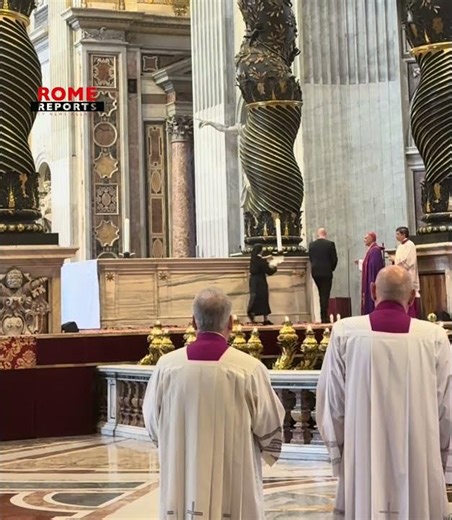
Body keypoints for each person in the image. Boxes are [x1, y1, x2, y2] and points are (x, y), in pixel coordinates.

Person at [316, 266, 450, 519]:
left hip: (363, 453)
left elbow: (332, 402)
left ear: (373, 290)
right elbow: (447, 406)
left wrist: (342, 450)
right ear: (412, 297)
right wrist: (439, 454)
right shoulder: (434, 337)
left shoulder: (346, 333)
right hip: (419, 456)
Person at [142, 287, 285, 520]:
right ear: (231, 322)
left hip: (183, 475)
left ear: (192, 322)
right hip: (234, 480)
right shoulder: (248, 368)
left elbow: (151, 420)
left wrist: (179, 439)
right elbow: (269, 423)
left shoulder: (167, 367)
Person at [308, 228, 338, 323]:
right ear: (325, 234)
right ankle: (324, 317)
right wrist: (331, 268)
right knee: (325, 294)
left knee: (321, 293)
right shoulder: (330, 244)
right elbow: (334, 259)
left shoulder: (312, 245)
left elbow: (311, 258)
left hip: (316, 272)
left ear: (318, 234)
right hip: (326, 272)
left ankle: (323, 315)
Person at [392, 226, 421, 318]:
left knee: (410, 293)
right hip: (400, 274)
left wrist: (398, 267)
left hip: (409, 274)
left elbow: (409, 261)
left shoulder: (410, 245)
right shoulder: (400, 246)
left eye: (398, 234)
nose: (396, 236)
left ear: (404, 234)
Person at [247, 244, 277, 325]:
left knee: (254, 299)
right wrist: (274, 265)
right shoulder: (261, 261)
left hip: (253, 281)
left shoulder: (253, 260)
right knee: (263, 299)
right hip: (260, 281)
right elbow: (269, 271)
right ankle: (265, 319)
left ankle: (252, 316)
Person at [360, 231, 385, 314]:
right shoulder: (371, 249)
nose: (364, 240)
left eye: (366, 238)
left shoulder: (375, 250)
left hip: (372, 279)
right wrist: (361, 262)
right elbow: (369, 263)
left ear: (372, 238)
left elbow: (374, 266)